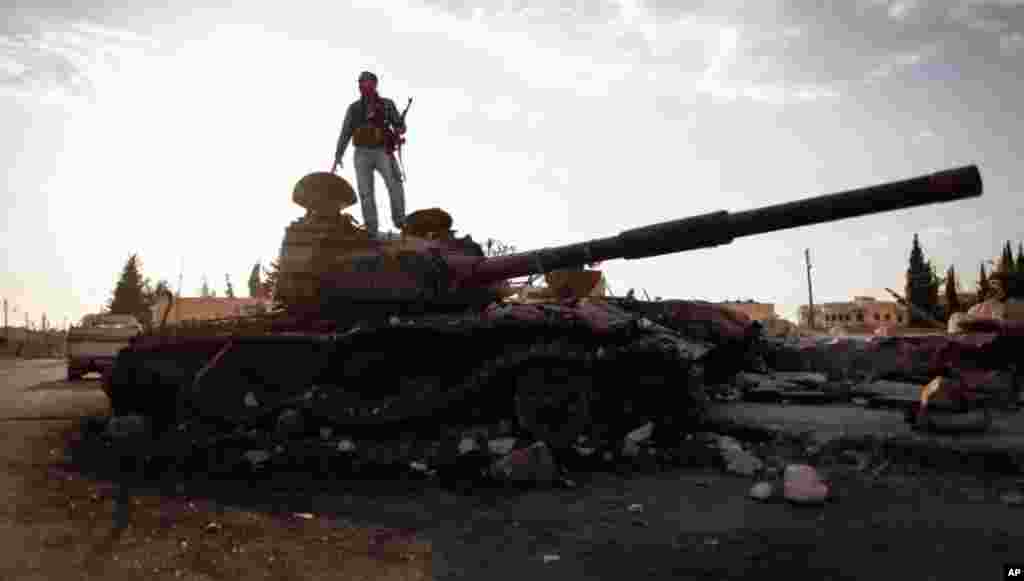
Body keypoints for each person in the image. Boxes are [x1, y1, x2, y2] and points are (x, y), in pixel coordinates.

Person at [332, 71, 407, 237]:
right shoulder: (354, 108)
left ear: (374, 84)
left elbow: (399, 126)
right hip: (361, 153)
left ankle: (401, 221)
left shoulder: (386, 104)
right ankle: (371, 229)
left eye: (366, 82)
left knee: (395, 184)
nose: (362, 85)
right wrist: (338, 155)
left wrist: (400, 127)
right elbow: (346, 132)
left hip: (383, 150)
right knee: (365, 192)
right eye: (361, 82)